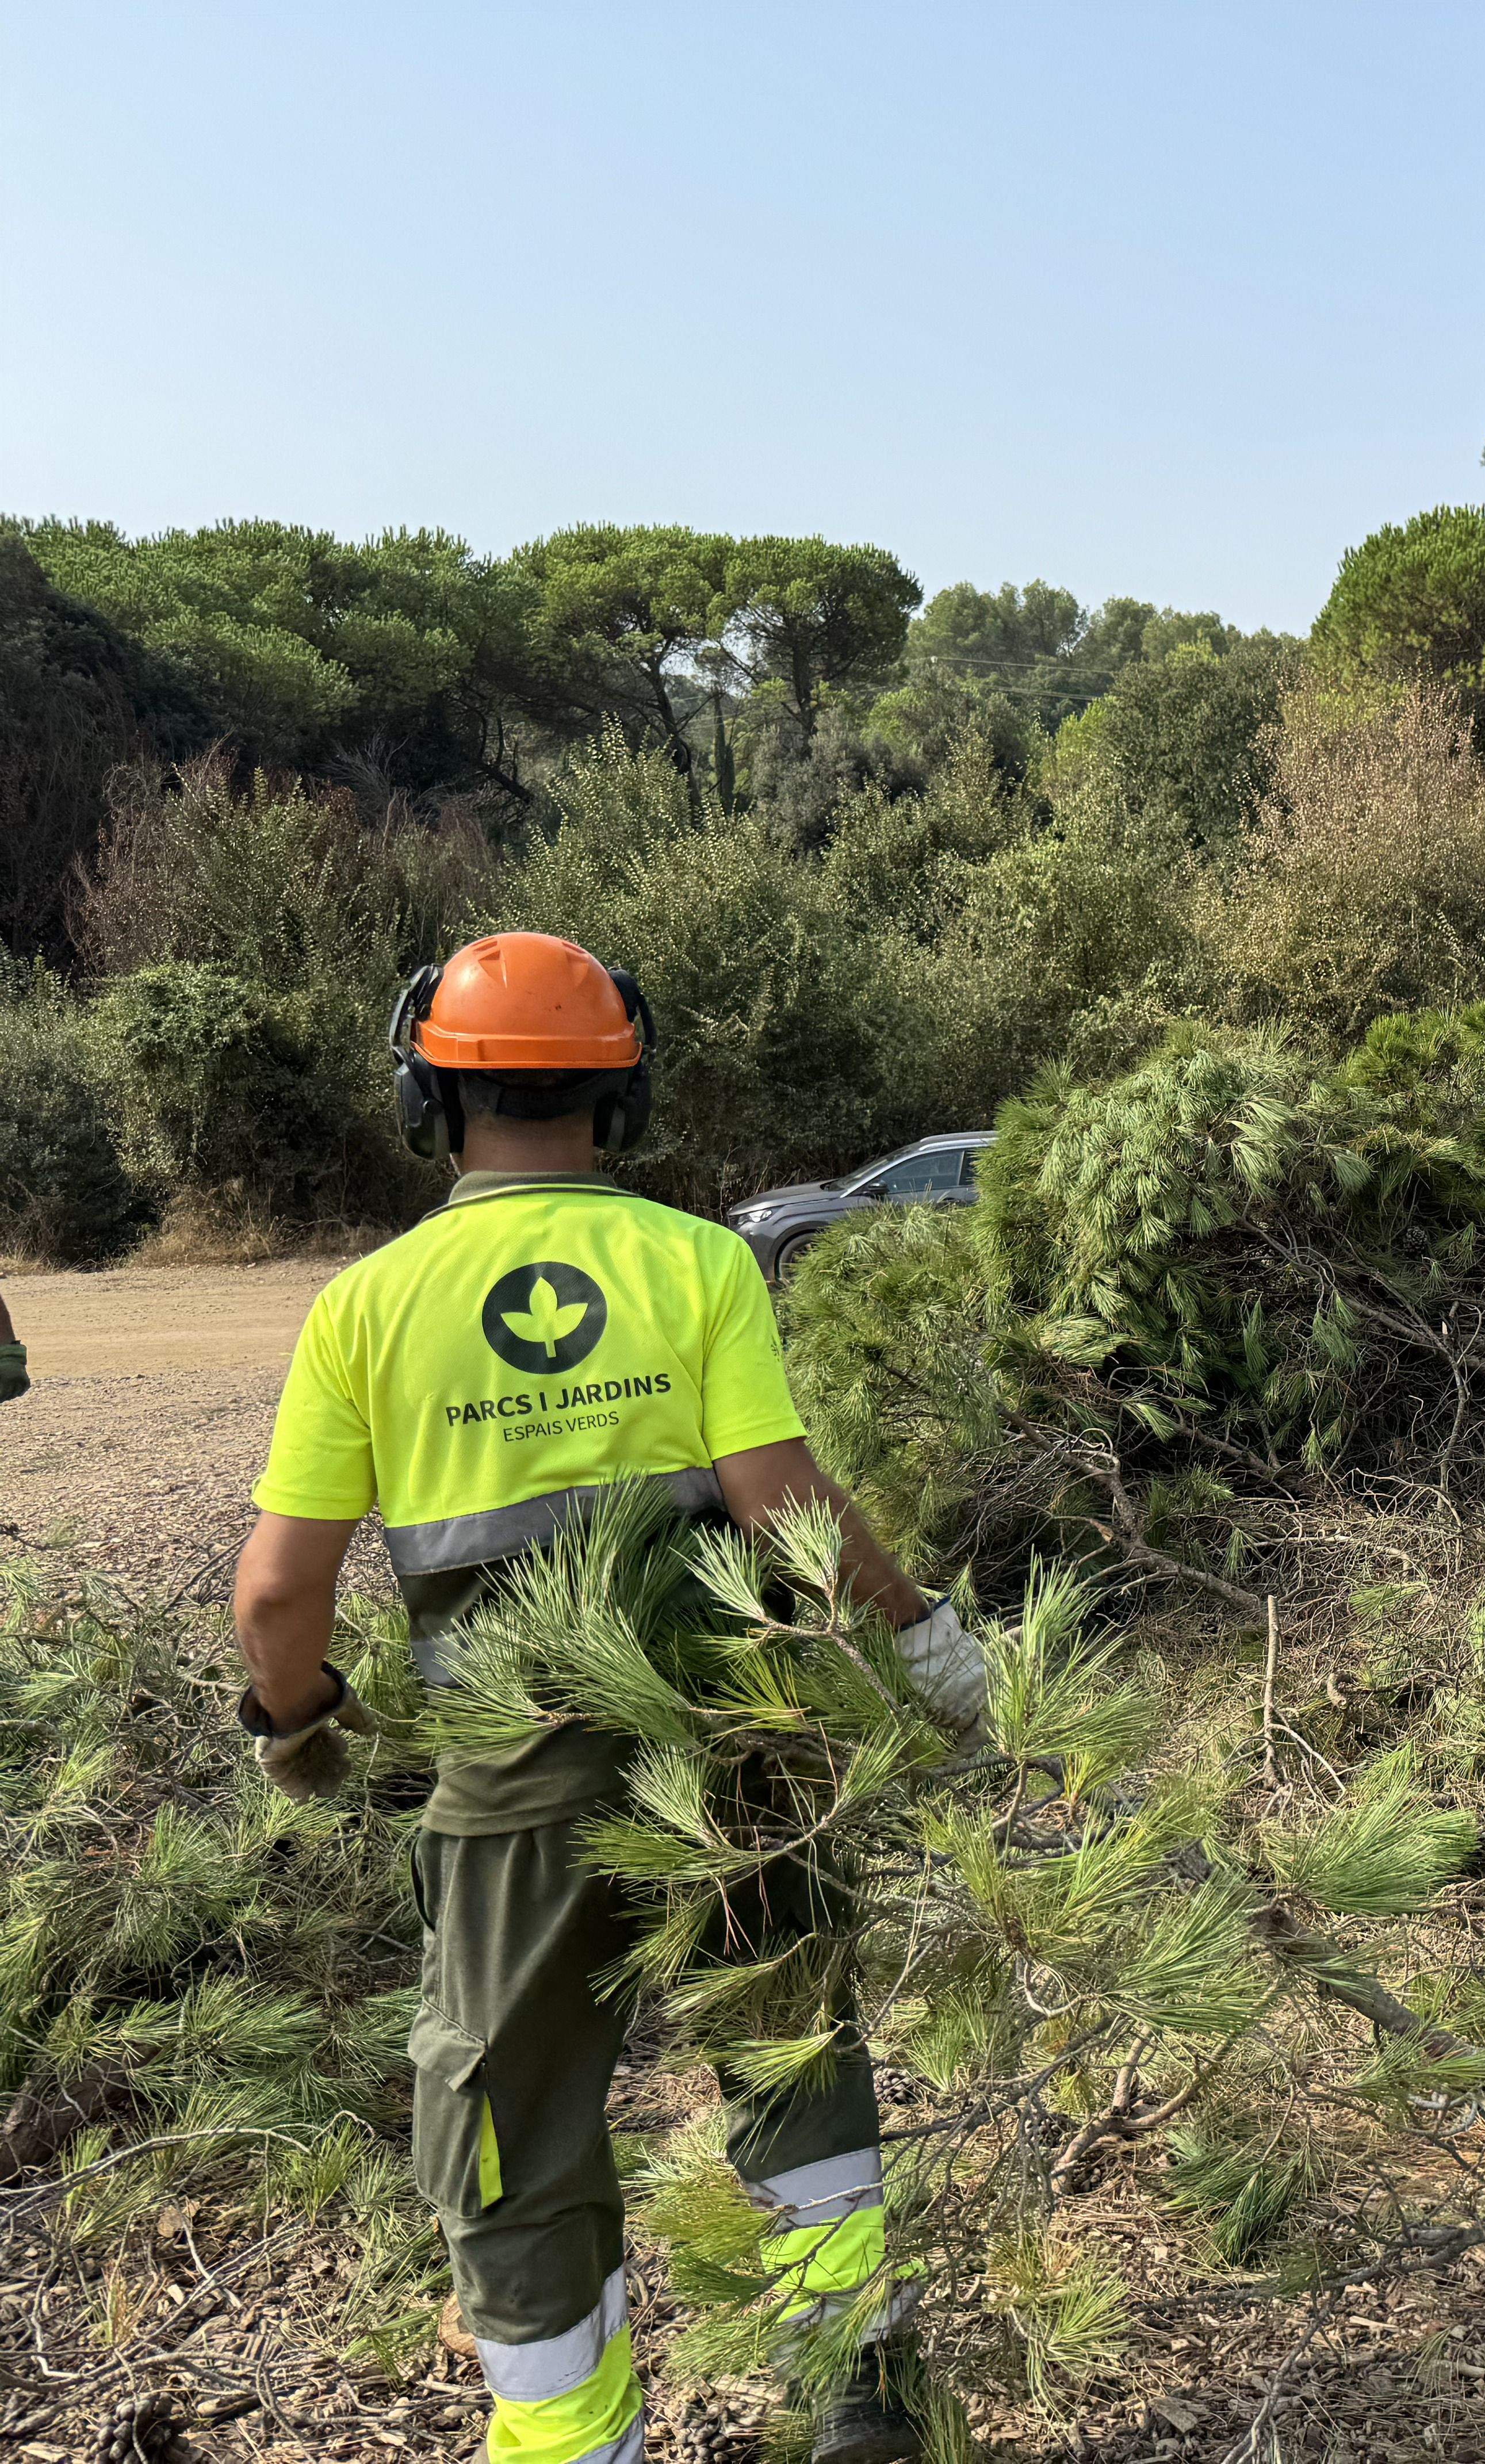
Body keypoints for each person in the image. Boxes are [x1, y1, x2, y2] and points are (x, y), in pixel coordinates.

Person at [231, 932, 985, 2464]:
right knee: (792, 2046)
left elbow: (272, 1595)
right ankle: (856, 2392)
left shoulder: (366, 1305)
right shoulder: (700, 1259)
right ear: (620, 1091)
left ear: (427, 1092)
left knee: (511, 2123)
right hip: (735, 1738)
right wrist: (924, 1642)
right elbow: (785, 1504)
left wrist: (302, 1721)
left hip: (517, 1780)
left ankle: (576, 2440)